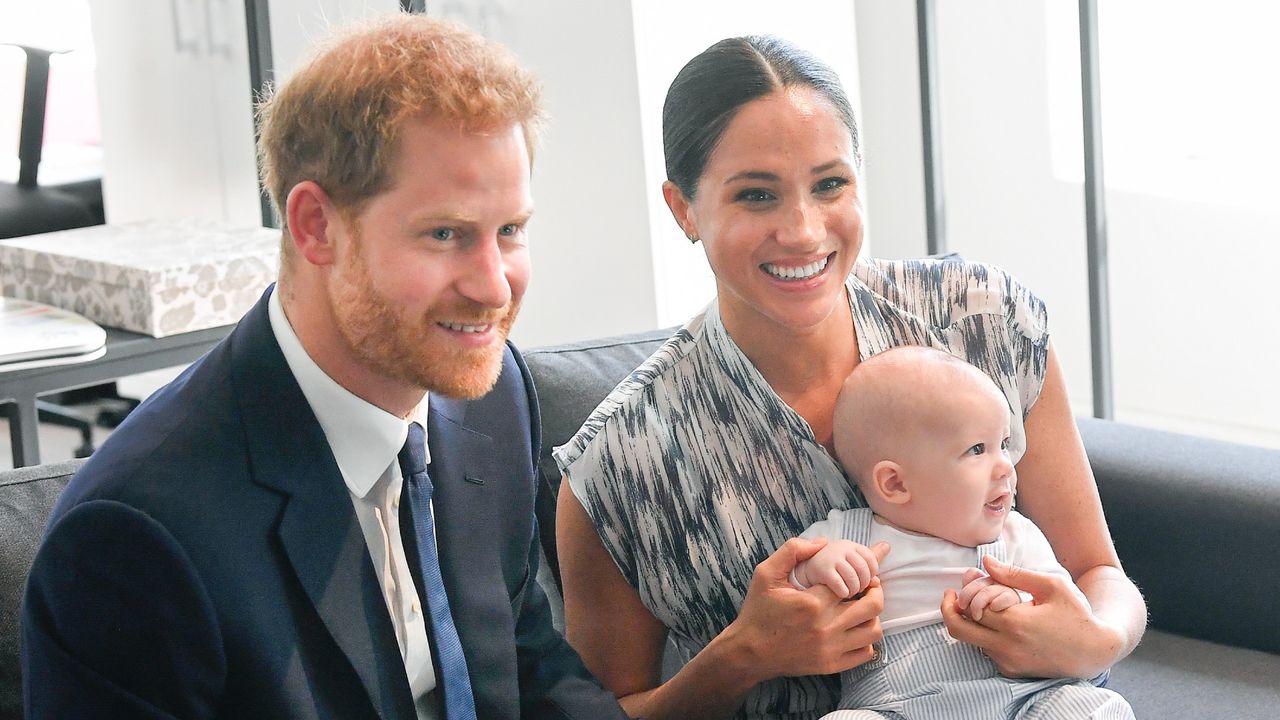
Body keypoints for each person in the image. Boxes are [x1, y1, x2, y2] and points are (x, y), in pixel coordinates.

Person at [21, 15, 626, 720]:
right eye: (445, 234)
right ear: (315, 226)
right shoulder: (132, 540)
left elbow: (530, 669)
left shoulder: (488, 398)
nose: (494, 286)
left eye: (510, 231)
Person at [555, 34, 1146, 720]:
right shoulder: (620, 464)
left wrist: (1093, 639)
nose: (804, 232)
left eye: (830, 184)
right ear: (683, 208)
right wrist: (744, 654)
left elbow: (1099, 573)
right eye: (756, 195)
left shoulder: (982, 320)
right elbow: (602, 712)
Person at [789, 345, 1133, 719]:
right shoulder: (847, 536)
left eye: (1003, 444)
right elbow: (785, 589)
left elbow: (1066, 614)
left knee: (1089, 709)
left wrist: (1015, 604)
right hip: (897, 708)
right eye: (976, 449)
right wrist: (818, 567)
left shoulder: (1018, 536)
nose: (1005, 465)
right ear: (895, 484)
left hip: (1024, 701)